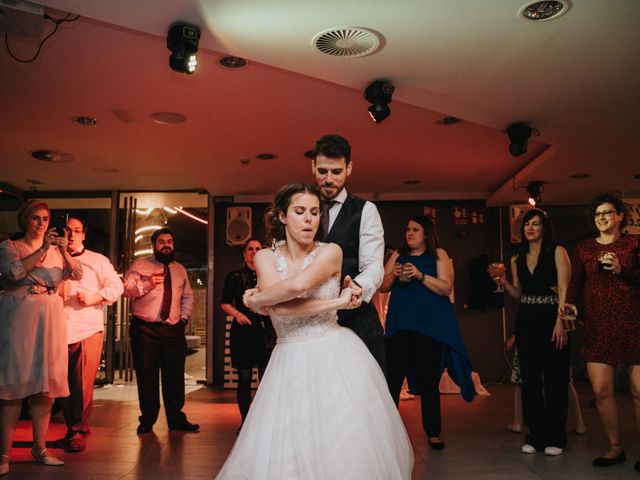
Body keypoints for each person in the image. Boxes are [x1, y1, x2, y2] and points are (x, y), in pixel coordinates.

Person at [216, 183, 413, 479]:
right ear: (282, 216)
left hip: (333, 353)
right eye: (299, 211)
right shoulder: (265, 257)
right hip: (287, 357)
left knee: (341, 442)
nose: (309, 219)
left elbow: (296, 287)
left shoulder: (331, 251)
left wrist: (259, 298)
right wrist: (337, 301)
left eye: (314, 212)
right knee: (287, 445)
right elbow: (282, 309)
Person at [0, 200, 82, 474]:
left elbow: (76, 273)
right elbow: (13, 273)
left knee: (46, 385)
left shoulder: (58, 251)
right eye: (35, 218)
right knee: (15, 382)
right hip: (21, 316)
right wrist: (45, 248)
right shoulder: (10, 247)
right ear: (24, 220)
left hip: (51, 317)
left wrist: (61, 249)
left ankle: (40, 446)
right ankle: (4, 453)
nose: (41, 223)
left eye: (46, 219)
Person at [381, 214, 475, 450]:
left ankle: (433, 432)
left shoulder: (438, 255)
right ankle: (389, 432)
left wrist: (420, 275)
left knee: (428, 382)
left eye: (415, 229)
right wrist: (394, 273)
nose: (409, 233)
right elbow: (383, 286)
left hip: (428, 329)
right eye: (407, 229)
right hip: (400, 327)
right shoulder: (397, 255)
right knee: (392, 381)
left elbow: (446, 288)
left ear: (426, 234)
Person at [563, 193, 640, 469]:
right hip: (599, 325)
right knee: (601, 389)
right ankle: (615, 448)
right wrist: (570, 304)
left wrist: (622, 268)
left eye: (608, 212)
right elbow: (576, 283)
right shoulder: (584, 248)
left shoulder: (634, 243)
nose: (603, 218)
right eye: (598, 214)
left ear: (620, 216)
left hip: (634, 323)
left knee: (639, 389)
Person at [494, 209, 571, 456]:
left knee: (555, 379)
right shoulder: (517, 258)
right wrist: (505, 283)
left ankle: (556, 437)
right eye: (527, 224)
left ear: (544, 228)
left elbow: (563, 288)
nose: (530, 228)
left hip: (551, 317)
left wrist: (560, 323)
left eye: (536, 224)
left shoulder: (557, 251)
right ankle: (536, 435)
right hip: (527, 320)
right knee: (530, 380)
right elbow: (519, 294)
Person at [311, 134, 386, 373]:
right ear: (312, 167)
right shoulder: (300, 208)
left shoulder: (366, 210)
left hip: (356, 321)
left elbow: (374, 265)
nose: (329, 179)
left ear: (349, 168)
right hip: (311, 321)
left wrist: (358, 287)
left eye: (337, 171)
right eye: (323, 171)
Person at [53, 217, 123, 452]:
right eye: (67, 230)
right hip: (56, 329)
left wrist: (94, 298)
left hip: (86, 328)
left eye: (77, 231)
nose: (71, 235)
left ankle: (76, 430)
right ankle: (76, 426)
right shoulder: (52, 257)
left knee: (81, 382)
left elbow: (117, 287)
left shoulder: (97, 260)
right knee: (60, 382)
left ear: (84, 235)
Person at [123, 227, 198, 435]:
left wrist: (183, 318)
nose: (166, 245)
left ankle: (176, 419)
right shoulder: (140, 265)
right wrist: (146, 283)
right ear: (154, 245)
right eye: (162, 241)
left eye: (170, 242)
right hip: (145, 329)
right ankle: (147, 419)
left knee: (174, 376)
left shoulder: (180, 269)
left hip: (173, 329)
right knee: (147, 376)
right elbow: (126, 289)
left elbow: (188, 296)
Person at [220, 238, 275, 432]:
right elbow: (224, 303)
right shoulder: (234, 276)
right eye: (250, 249)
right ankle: (245, 422)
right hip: (243, 333)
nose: (253, 252)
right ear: (244, 254)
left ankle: (263, 423)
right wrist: (237, 314)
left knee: (266, 380)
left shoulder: (271, 276)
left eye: (258, 249)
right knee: (244, 379)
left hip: (267, 333)